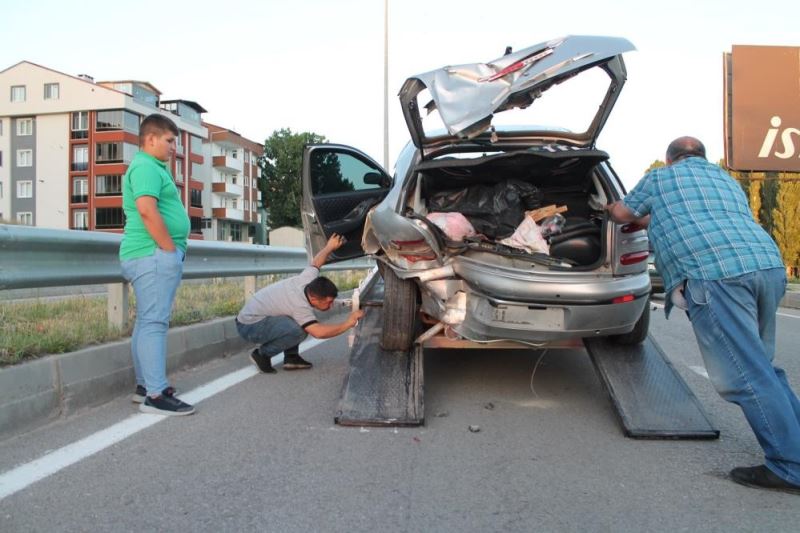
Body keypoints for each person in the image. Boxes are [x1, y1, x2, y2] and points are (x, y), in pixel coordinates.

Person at [605, 136, 800, 495]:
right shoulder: (725, 180)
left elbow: (622, 214)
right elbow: (685, 218)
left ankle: (789, 467)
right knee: (764, 368)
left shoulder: (662, 178)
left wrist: (606, 206)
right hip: (767, 268)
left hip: (717, 274)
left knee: (744, 376)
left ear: (671, 159)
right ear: (702, 157)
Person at [120, 114, 195, 416]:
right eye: (169, 140)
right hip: (151, 255)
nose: (173, 147)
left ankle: (144, 386)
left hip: (148, 255)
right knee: (154, 322)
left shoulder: (150, 167)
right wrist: (168, 250)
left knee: (146, 321)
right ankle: (155, 394)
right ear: (151, 139)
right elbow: (147, 211)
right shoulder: (145, 167)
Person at [236, 233, 365, 372]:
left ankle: (291, 358)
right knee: (298, 330)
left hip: (254, 316)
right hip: (249, 326)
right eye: (328, 302)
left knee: (294, 322)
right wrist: (347, 323)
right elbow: (318, 332)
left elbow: (316, 263)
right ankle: (261, 355)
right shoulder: (299, 306)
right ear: (314, 299)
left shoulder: (308, 280)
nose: (330, 305)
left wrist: (329, 247)